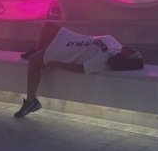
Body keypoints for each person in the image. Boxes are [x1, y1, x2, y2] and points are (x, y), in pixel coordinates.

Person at [14, 23, 144, 118]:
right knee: (48, 27)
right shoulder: (117, 46)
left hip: (69, 51)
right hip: (74, 40)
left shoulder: (105, 59)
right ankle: (36, 49)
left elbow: (82, 68)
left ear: (125, 58)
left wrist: (58, 64)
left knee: (34, 61)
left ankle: (31, 101)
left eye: (132, 51)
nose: (133, 48)